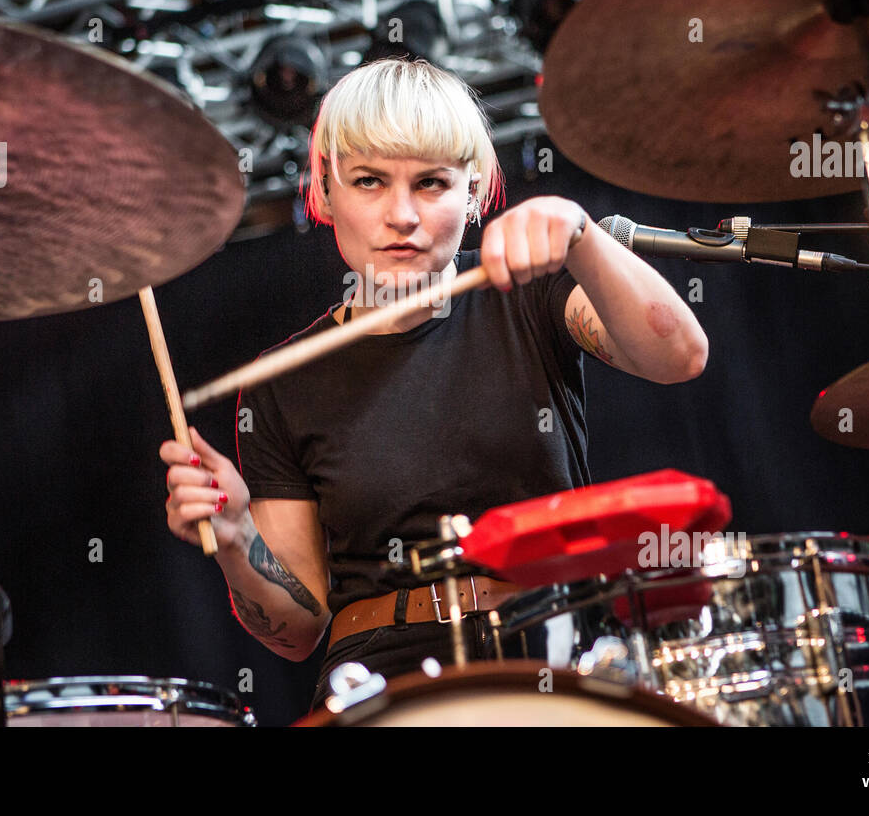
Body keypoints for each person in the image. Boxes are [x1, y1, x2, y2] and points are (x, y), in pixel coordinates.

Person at [160, 57, 708, 714]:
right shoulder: (281, 384)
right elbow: (297, 628)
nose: (401, 216)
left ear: (473, 193)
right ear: (325, 193)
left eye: (430, 184)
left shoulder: (530, 295)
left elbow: (678, 355)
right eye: (368, 182)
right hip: (385, 687)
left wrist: (581, 235)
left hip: (556, 657)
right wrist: (235, 538)